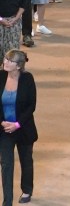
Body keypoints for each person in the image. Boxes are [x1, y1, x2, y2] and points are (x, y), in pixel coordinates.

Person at [0, 49, 36, 206]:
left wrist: (17, 124)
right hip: (4, 129)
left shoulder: (27, 79)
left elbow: (31, 106)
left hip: (23, 128)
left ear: (18, 66)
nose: (5, 62)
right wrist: (2, 122)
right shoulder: (0, 76)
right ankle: (7, 200)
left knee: (26, 160)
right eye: (5, 59)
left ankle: (27, 189)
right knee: (6, 164)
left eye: (9, 61)